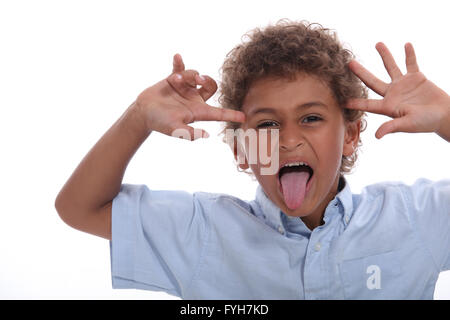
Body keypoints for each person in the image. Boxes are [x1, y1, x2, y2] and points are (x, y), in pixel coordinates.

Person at [54, 19, 450, 299]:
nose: (289, 140)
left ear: (349, 134)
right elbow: (79, 208)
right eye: (266, 125)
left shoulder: (411, 217)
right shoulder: (202, 232)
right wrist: (139, 117)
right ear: (242, 150)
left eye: (311, 118)